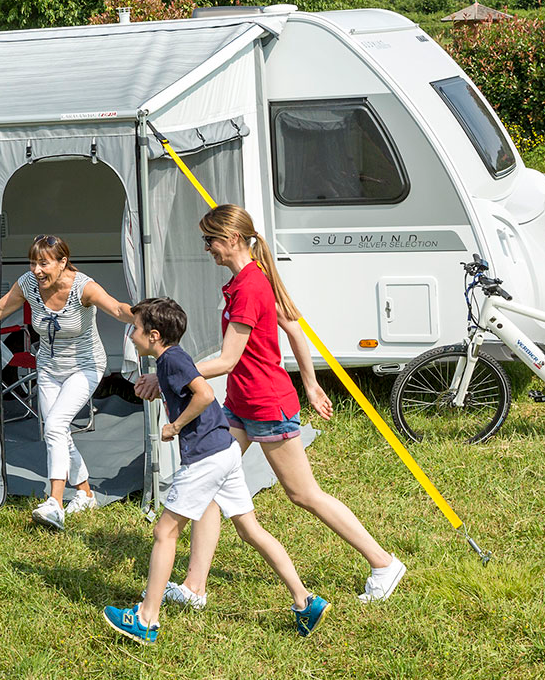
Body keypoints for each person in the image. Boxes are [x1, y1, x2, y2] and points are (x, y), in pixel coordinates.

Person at [137, 204, 405, 606]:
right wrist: (311, 385)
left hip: (266, 406)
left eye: (210, 240)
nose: (207, 247)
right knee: (210, 484)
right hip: (241, 402)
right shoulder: (246, 280)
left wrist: (167, 376)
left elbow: (228, 360)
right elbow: (293, 326)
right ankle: (194, 587)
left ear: (231, 239)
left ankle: (383, 563)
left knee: (304, 493)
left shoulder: (250, 286)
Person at [102, 298, 328, 643]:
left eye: (135, 329)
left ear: (154, 335)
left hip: (206, 457)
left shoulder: (172, 360)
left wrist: (175, 426)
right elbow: (188, 390)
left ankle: (146, 619)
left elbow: (205, 394)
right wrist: (162, 391)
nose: (131, 335)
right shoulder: (171, 360)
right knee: (250, 530)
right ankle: (305, 601)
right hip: (224, 451)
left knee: (165, 532)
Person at [0, 234, 134, 530]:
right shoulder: (28, 284)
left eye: (43, 263)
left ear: (63, 262)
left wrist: (143, 316)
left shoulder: (84, 287)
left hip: (85, 367)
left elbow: (118, 309)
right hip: (49, 367)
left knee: (55, 426)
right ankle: (85, 493)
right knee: (58, 432)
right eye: (32, 263)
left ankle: (55, 503)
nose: (36, 270)